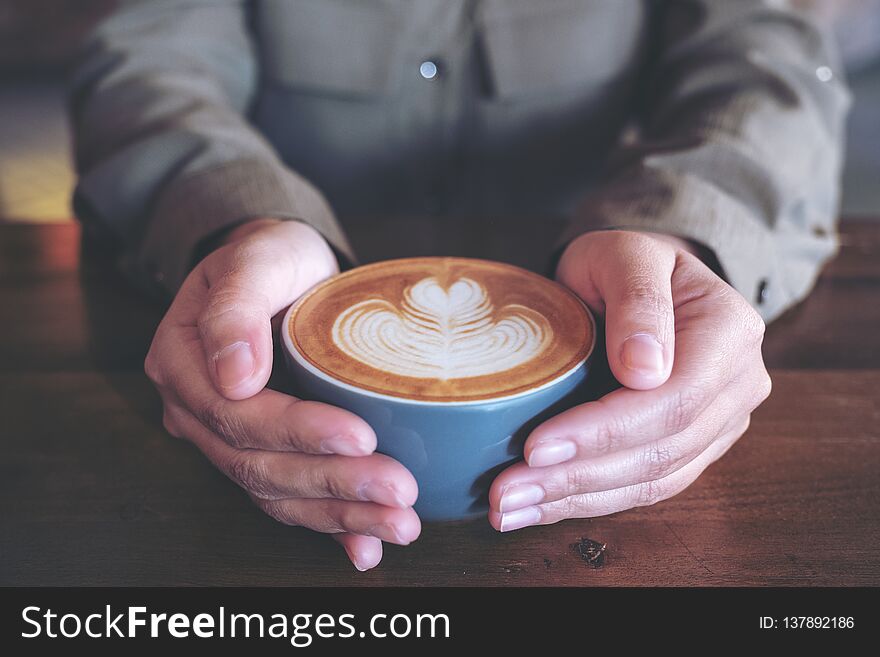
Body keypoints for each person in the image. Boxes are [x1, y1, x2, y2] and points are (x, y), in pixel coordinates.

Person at [69, 0, 849, 571]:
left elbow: (765, 56)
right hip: (289, 314)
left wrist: (682, 236)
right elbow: (147, 59)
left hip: (584, 301)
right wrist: (234, 222)